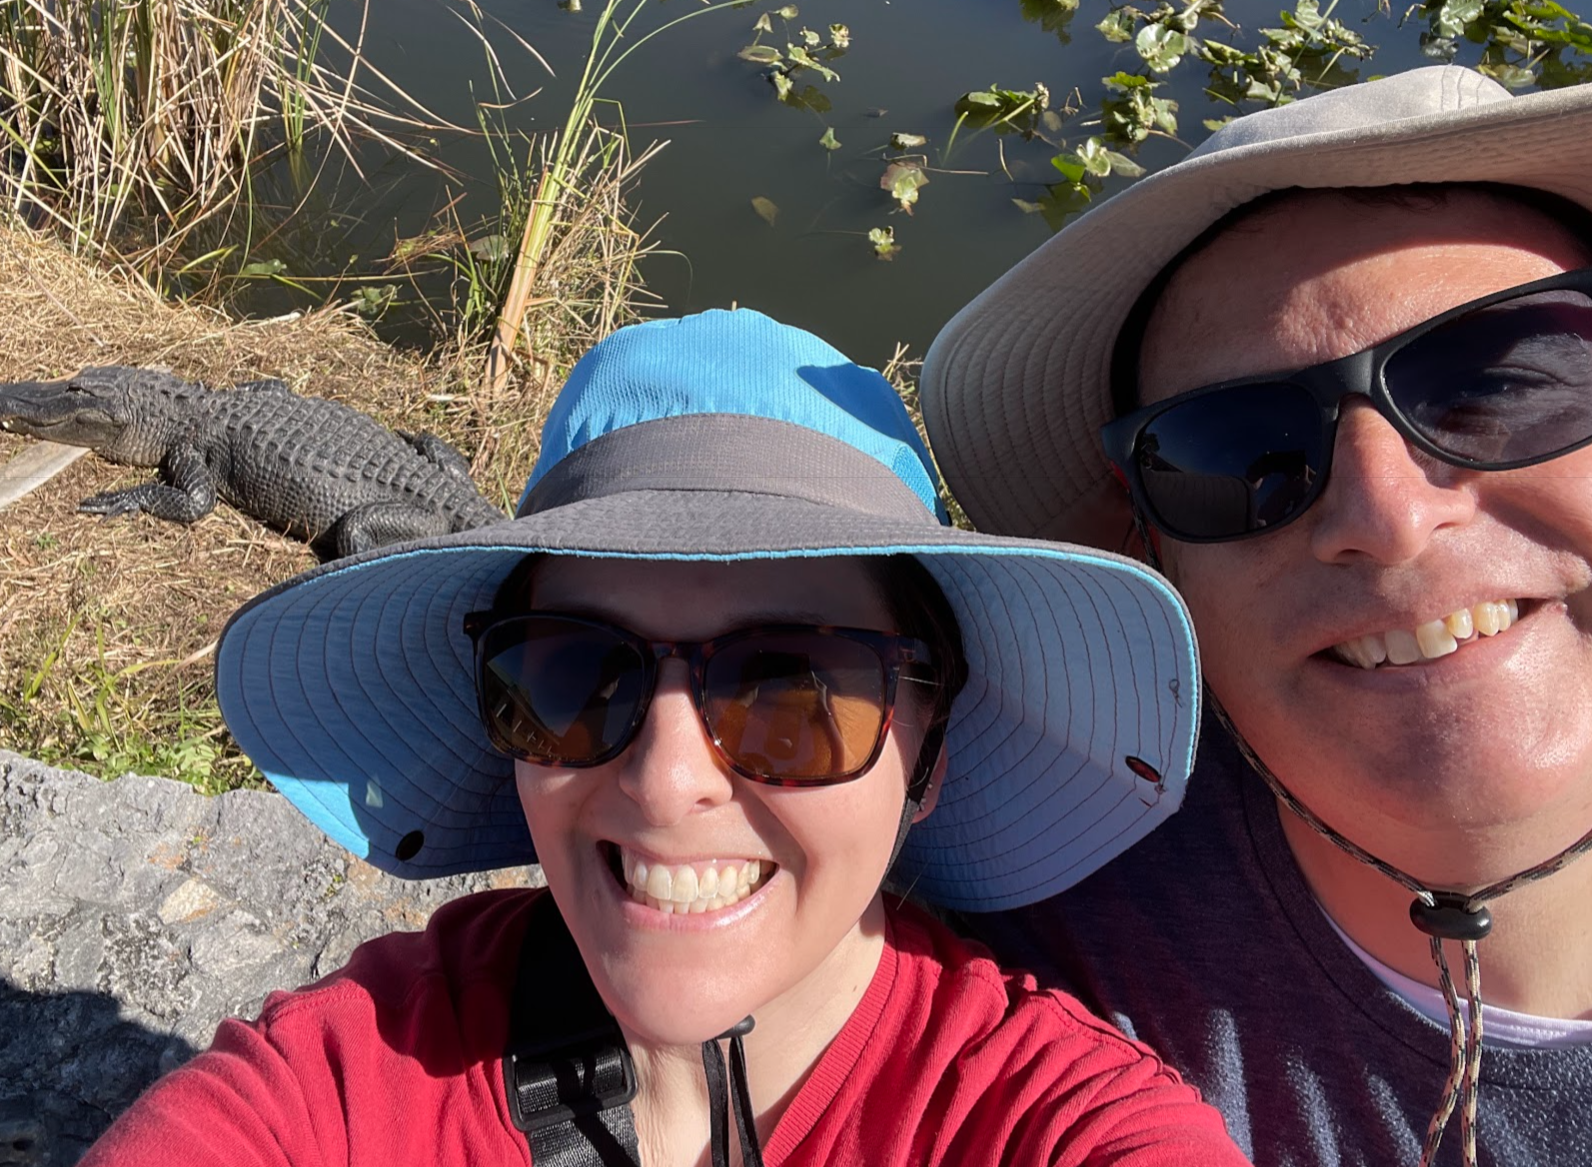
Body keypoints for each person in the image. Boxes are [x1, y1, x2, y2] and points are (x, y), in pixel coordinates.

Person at [82, 308, 1247, 1166]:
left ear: (928, 745)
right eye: (570, 670)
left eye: (793, 687)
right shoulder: (350, 1076)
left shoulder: (1047, 1121)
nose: (666, 777)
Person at [921, 64, 1592, 1167]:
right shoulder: (1017, 946)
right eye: (1236, 450)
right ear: (1151, 556)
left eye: (1496, 384)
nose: (1385, 516)